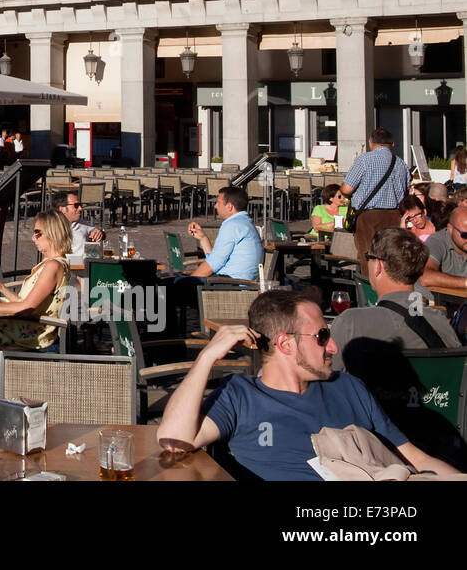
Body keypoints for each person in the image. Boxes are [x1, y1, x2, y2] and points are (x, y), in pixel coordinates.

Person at [157, 289, 459, 480]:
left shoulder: (349, 387)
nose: (333, 348)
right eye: (322, 337)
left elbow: (414, 457)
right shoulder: (240, 395)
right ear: (285, 344)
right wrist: (207, 356)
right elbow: (174, 440)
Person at [332, 228, 459, 373]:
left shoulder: (351, 323)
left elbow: (329, 380)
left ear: (378, 265)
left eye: (368, 257)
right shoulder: (442, 324)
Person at [0, 210, 73, 353]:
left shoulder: (53, 266)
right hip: (32, 328)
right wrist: (1, 288)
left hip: (34, 338)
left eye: (38, 233)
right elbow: (25, 302)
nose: (33, 238)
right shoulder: (54, 264)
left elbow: (27, 308)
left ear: (53, 233)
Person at [185, 186, 264, 281]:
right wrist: (203, 238)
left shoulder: (232, 225)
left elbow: (213, 265)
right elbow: (216, 259)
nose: (215, 206)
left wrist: (188, 281)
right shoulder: (244, 223)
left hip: (231, 284)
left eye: (218, 202)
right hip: (236, 282)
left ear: (229, 207)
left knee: (169, 285)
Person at [339, 128, 411, 229]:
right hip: (394, 217)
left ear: (370, 142)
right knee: (391, 245)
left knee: (368, 245)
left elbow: (346, 189)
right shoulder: (401, 164)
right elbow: (406, 193)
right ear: (393, 144)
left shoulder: (364, 160)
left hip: (369, 218)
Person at [420, 204, 467, 298]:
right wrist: (465, 282)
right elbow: (425, 276)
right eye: (464, 235)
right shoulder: (437, 241)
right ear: (450, 229)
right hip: (435, 305)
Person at [54, 190, 103, 254]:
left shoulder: (80, 223)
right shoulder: (51, 227)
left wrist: (100, 233)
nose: (80, 208)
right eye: (76, 205)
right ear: (62, 209)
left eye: (80, 205)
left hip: (82, 263)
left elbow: (97, 232)